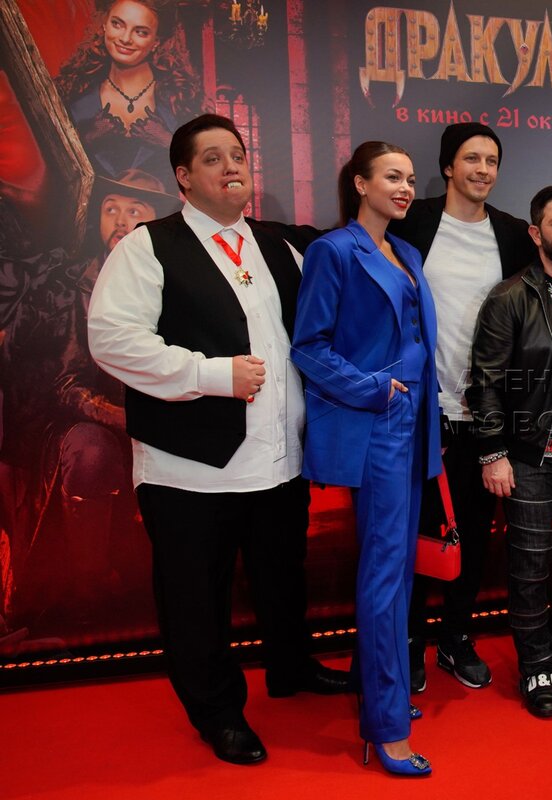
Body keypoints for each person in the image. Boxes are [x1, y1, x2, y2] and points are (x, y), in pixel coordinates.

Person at [87, 114, 350, 766]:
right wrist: (209, 375)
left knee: (281, 577)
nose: (232, 166)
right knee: (196, 598)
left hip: (279, 461)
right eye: (213, 158)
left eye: (237, 154)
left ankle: (291, 667)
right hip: (189, 468)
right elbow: (113, 340)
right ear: (183, 176)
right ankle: (217, 711)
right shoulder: (147, 247)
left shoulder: (280, 245)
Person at [291, 141, 440, 775]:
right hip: (378, 422)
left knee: (400, 572)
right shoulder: (333, 251)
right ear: (360, 183)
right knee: (384, 574)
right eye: (392, 177)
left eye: (410, 178)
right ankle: (386, 725)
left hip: (417, 422)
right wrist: (377, 390)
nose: (405, 187)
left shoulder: (406, 251)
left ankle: (385, 692)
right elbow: (309, 347)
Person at [388, 122, 536, 695]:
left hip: (488, 415)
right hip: (421, 411)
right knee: (415, 534)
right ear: (448, 166)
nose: (483, 169)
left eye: (492, 160)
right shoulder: (414, 221)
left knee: (473, 534)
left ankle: (455, 637)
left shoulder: (512, 234)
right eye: (472, 159)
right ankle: (409, 642)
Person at [0, 169, 179, 629]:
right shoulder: (70, 284)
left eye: (135, 210)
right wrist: (128, 418)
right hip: (78, 427)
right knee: (92, 450)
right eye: (110, 208)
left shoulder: (179, 283)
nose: (120, 220)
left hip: (162, 416)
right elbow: (64, 386)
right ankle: (89, 586)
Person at [467, 185, 552, 718]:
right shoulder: (510, 296)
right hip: (528, 456)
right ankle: (536, 664)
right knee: (530, 565)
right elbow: (484, 381)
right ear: (535, 232)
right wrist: (492, 452)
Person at [55, 0, 204, 191]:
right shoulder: (75, 94)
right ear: (104, 25)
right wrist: (87, 138)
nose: (125, 38)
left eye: (140, 32)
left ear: (156, 41)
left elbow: (205, 171)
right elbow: (51, 170)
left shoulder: (180, 98)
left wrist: (166, 140)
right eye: (117, 24)